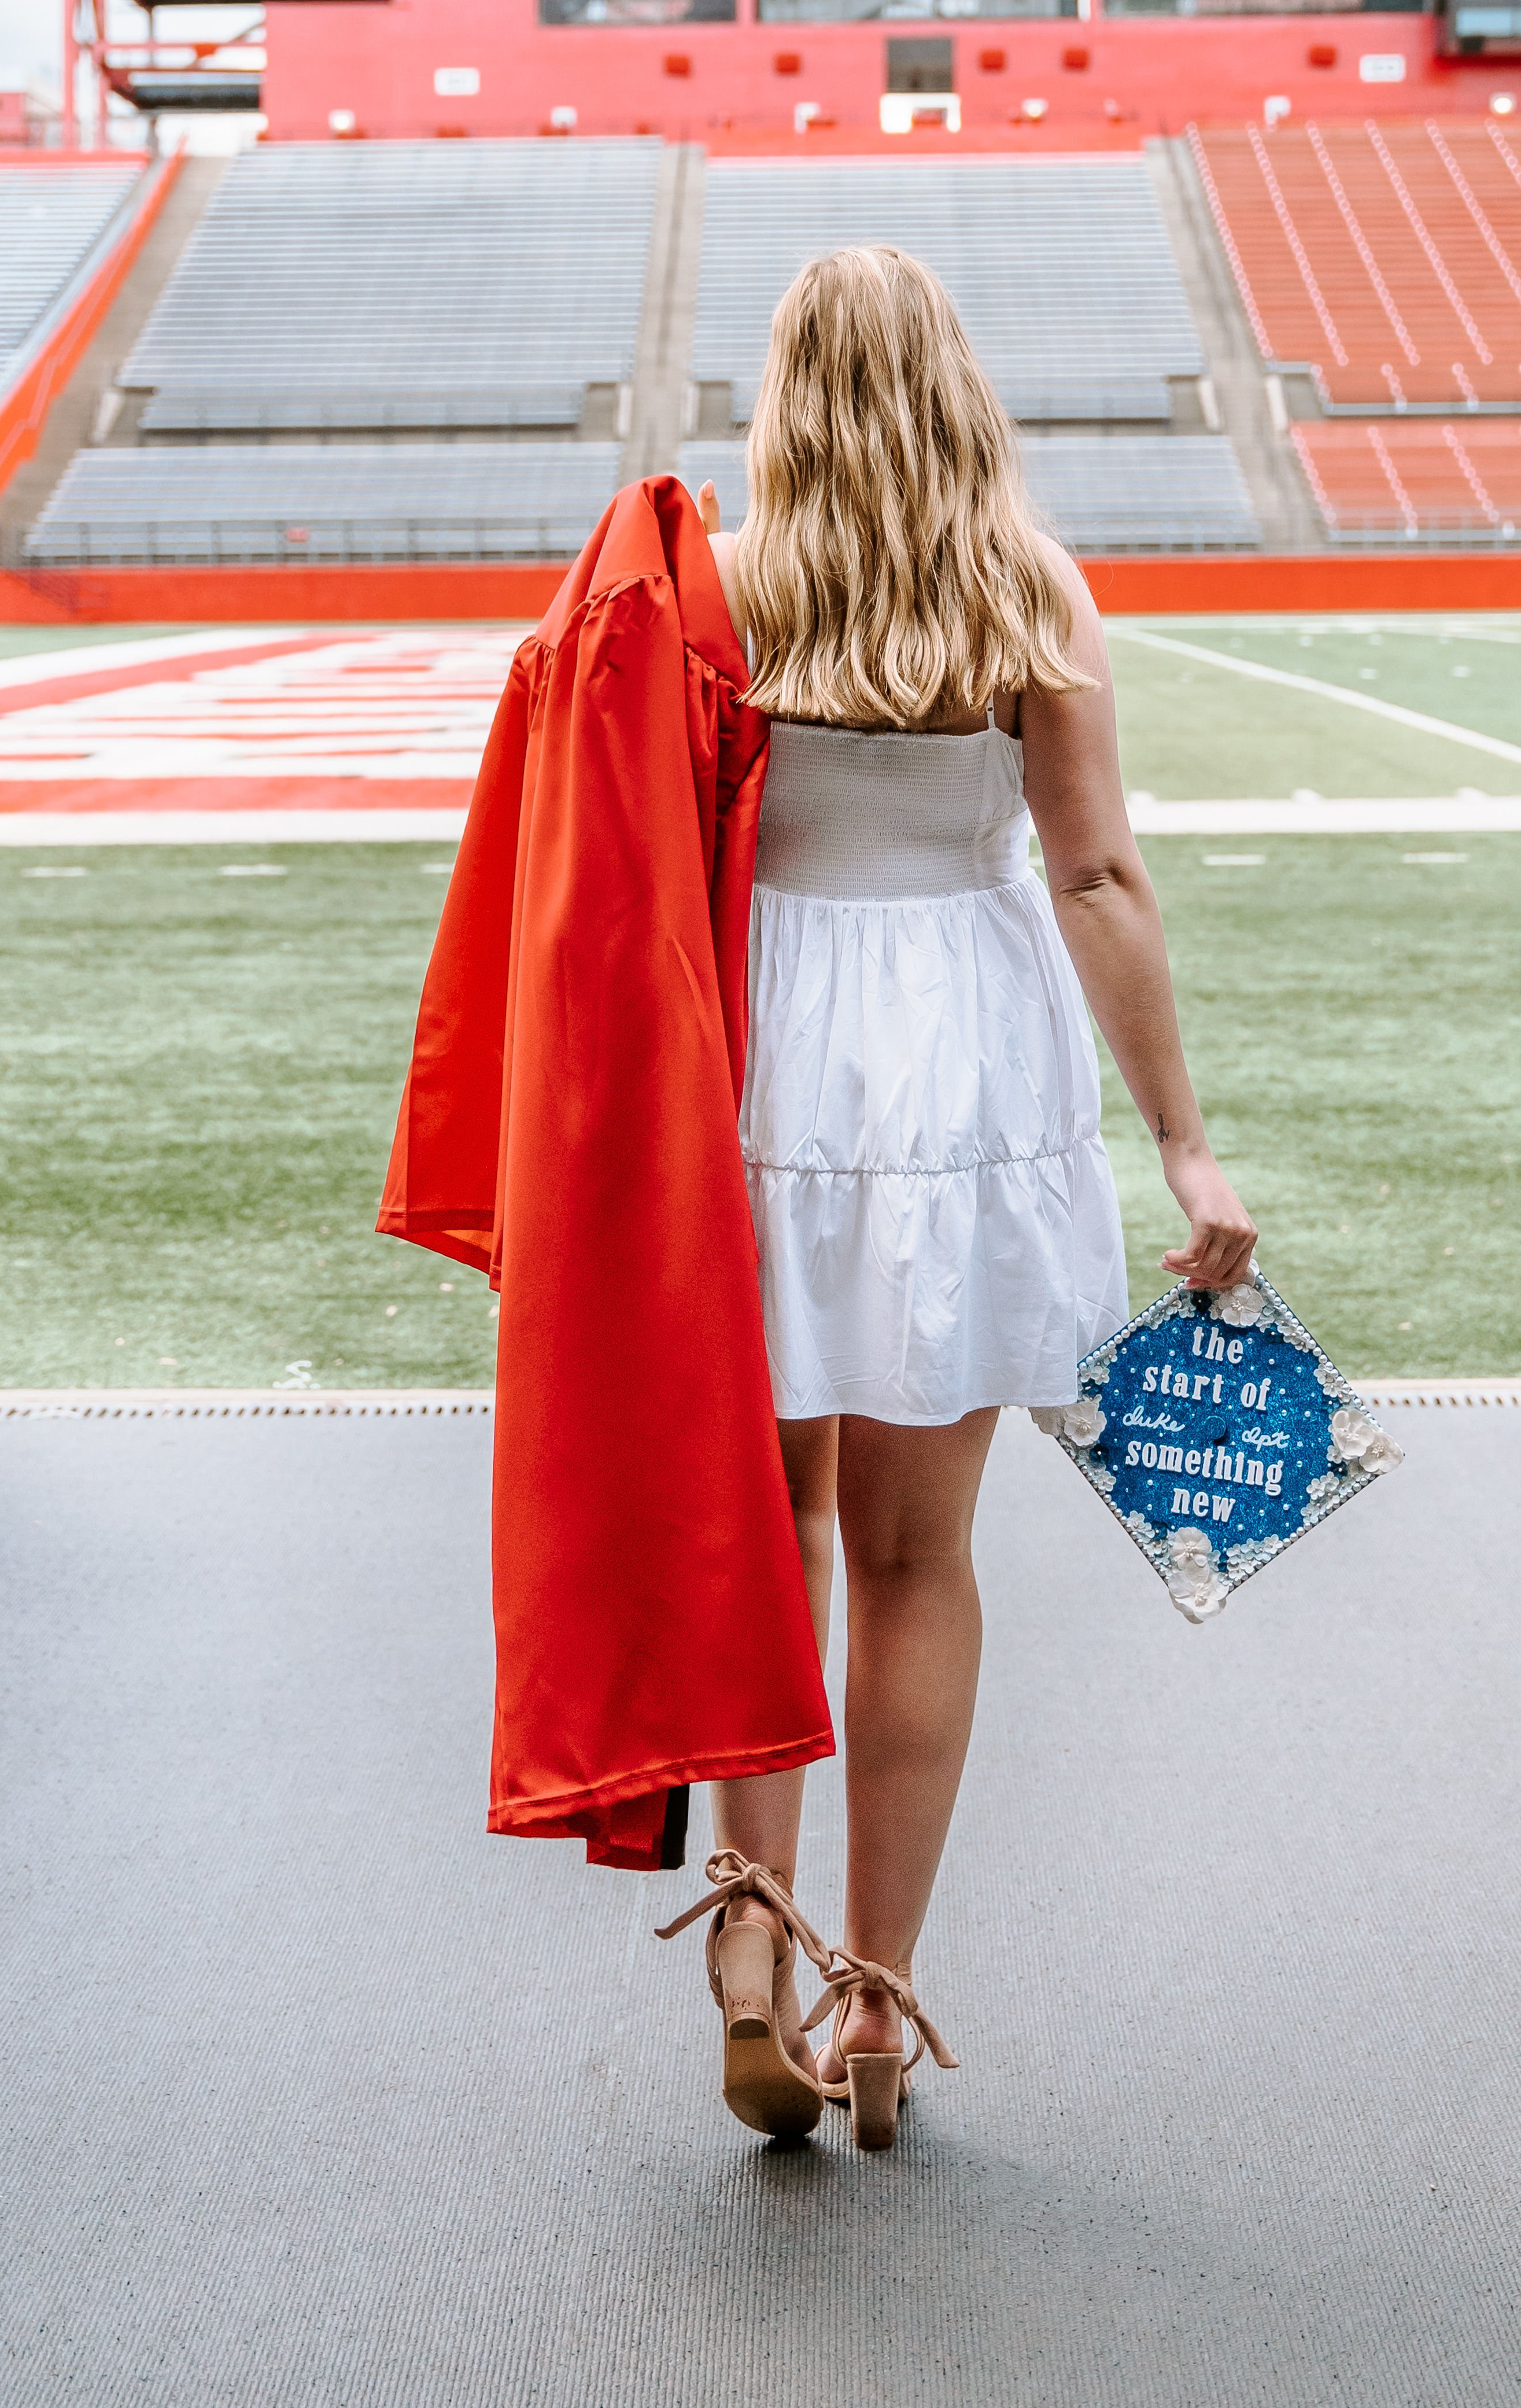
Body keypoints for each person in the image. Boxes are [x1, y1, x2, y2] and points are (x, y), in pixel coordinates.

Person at [658, 245, 1256, 2152]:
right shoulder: (1028, 584)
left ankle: (749, 1929)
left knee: (774, 1527)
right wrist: (1181, 1138)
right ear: (954, 382)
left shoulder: (719, 580)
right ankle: (880, 2006)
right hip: (965, 1068)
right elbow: (1097, 881)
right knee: (921, 1558)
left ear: (791, 390)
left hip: (761, 1052)